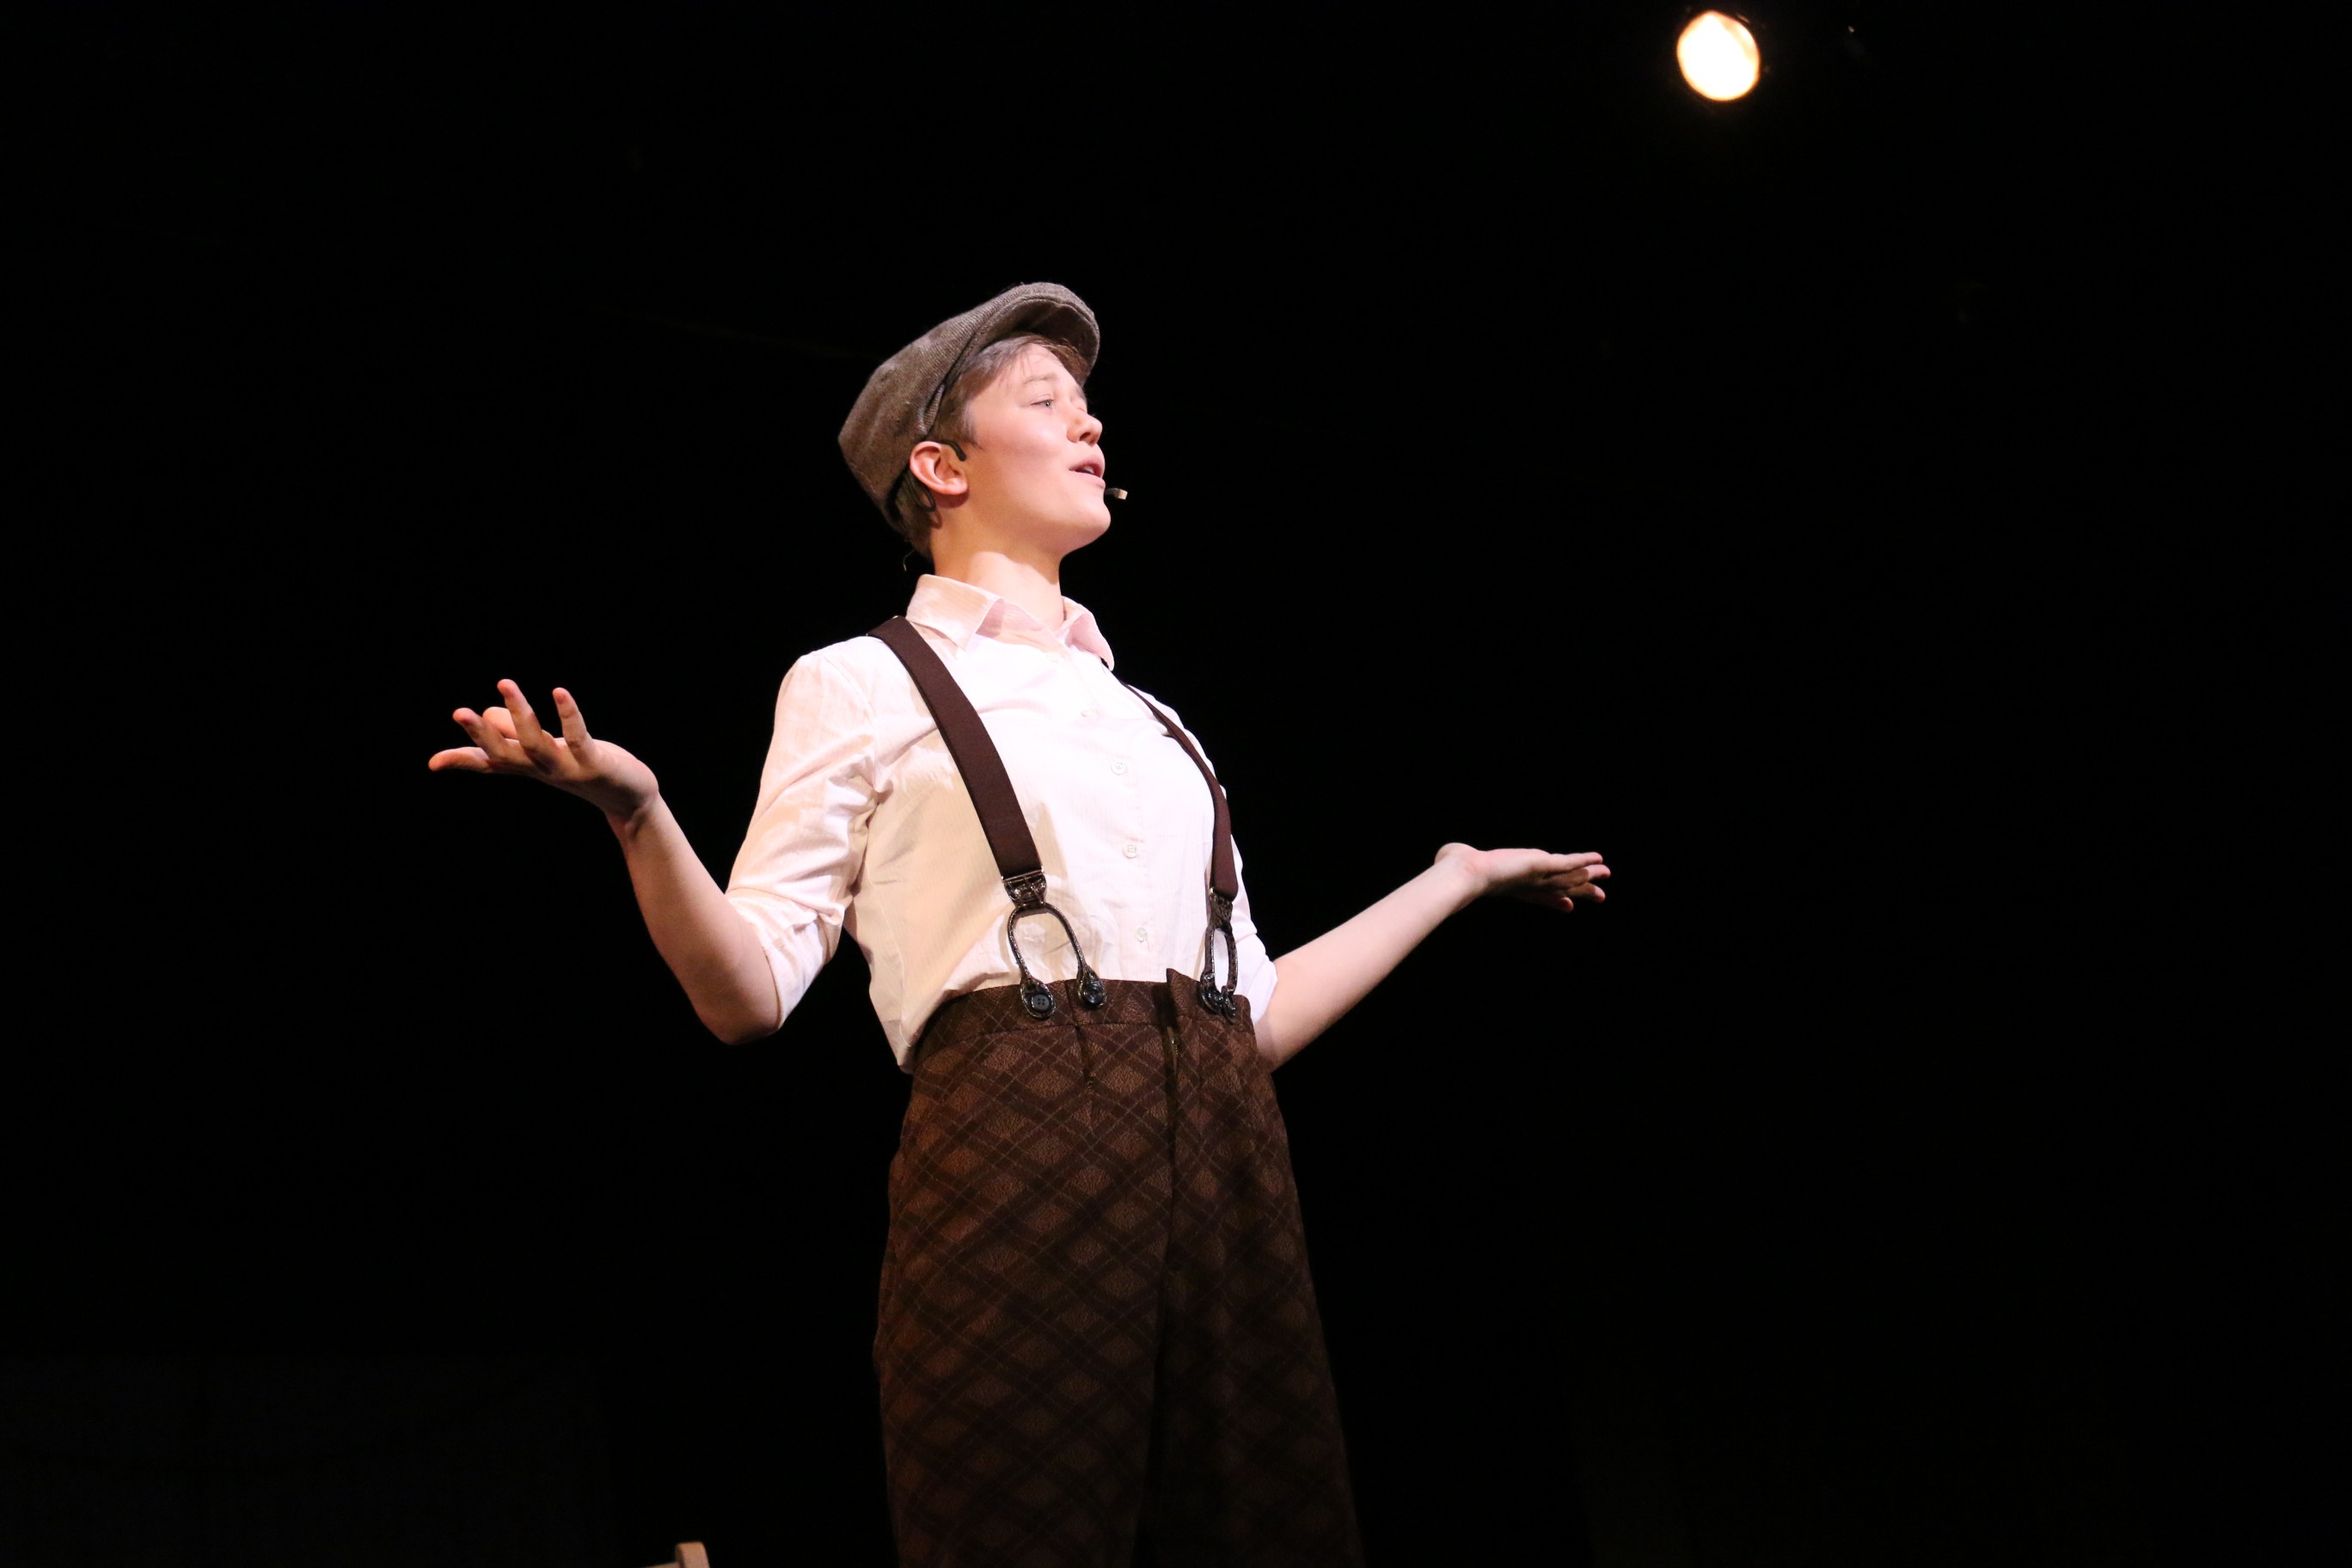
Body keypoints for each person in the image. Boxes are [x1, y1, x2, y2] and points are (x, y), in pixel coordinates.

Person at [428, 282, 1609, 1566]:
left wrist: (1451, 880)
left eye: (1090, 407)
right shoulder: (860, 680)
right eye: (1048, 402)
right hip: (1018, 1138)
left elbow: (1254, 1019)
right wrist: (641, 813)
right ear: (941, 468)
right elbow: (748, 994)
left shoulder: (1160, 725)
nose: (1091, 426)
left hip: (1232, 1158)